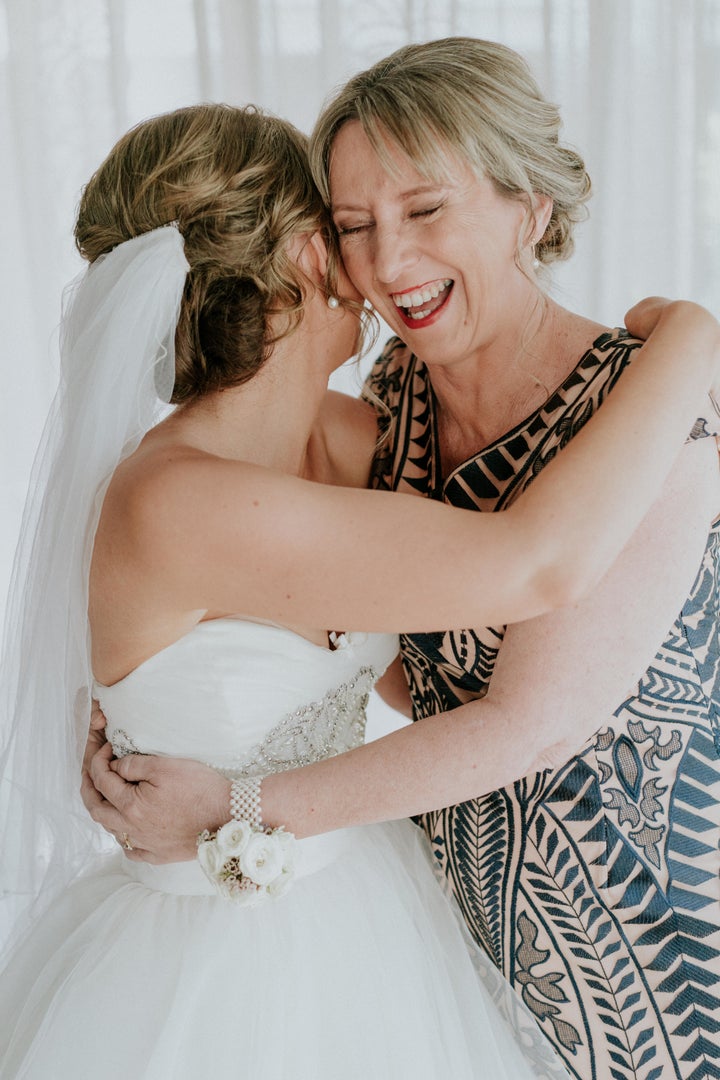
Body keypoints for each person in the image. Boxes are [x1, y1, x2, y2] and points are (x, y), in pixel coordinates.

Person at [80, 40, 720, 1080]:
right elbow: (367, 643)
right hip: (450, 935)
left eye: (426, 211)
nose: (383, 264)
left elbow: (533, 709)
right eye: (352, 227)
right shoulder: (389, 417)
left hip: (651, 947)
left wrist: (692, 340)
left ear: (530, 207)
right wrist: (151, 714)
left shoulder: (650, 421)